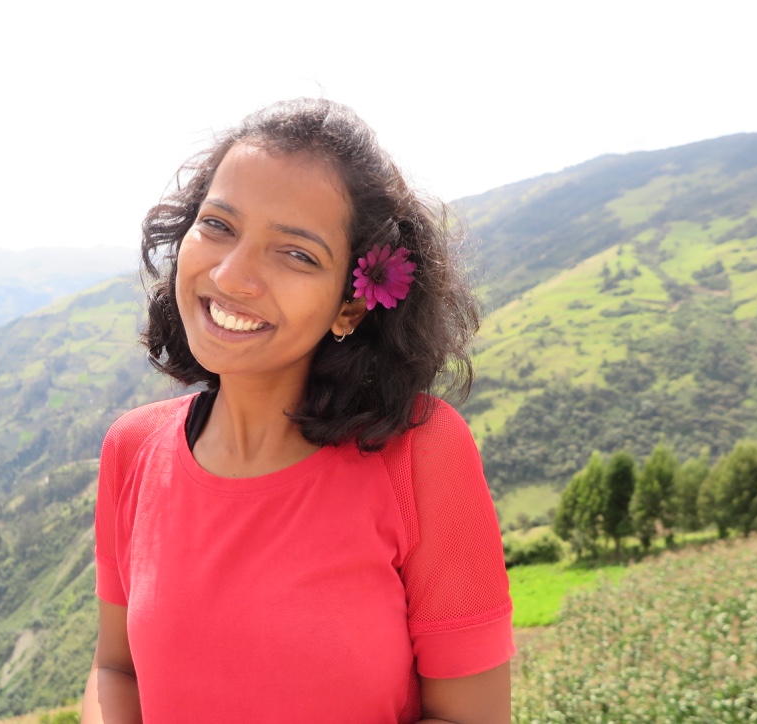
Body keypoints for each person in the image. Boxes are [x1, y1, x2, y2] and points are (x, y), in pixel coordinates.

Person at [82, 98, 514, 724]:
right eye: (219, 225)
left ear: (350, 306)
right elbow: (115, 670)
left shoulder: (418, 452)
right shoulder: (133, 450)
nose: (232, 276)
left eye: (297, 254)